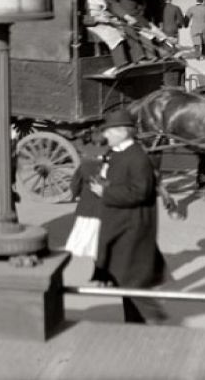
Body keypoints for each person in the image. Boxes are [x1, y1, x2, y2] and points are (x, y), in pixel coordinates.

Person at [88, 111, 167, 324]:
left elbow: (140, 192)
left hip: (131, 228)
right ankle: (137, 320)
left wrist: (106, 192)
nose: (107, 135)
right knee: (126, 277)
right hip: (121, 223)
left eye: (110, 131)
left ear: (123, 132)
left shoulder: (137, 157)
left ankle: (148, 318)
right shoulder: (118, 153)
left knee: (129, 277)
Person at [65, 140, 107, 281]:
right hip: (105, 212)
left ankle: (97, 272)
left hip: (86, 212)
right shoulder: (111, 168)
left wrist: (77, 194)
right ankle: (101, 272)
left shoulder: (84, 167)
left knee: (91, 244)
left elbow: (74, 187)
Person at [83, 0, 136, 76]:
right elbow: (78, 17)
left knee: (125, 30)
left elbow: (114, 6)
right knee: (114, 34)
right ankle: (121, 64)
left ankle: (133, 60)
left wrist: (127, 17)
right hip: (91, 25)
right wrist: (96, 19)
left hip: (106, 22)